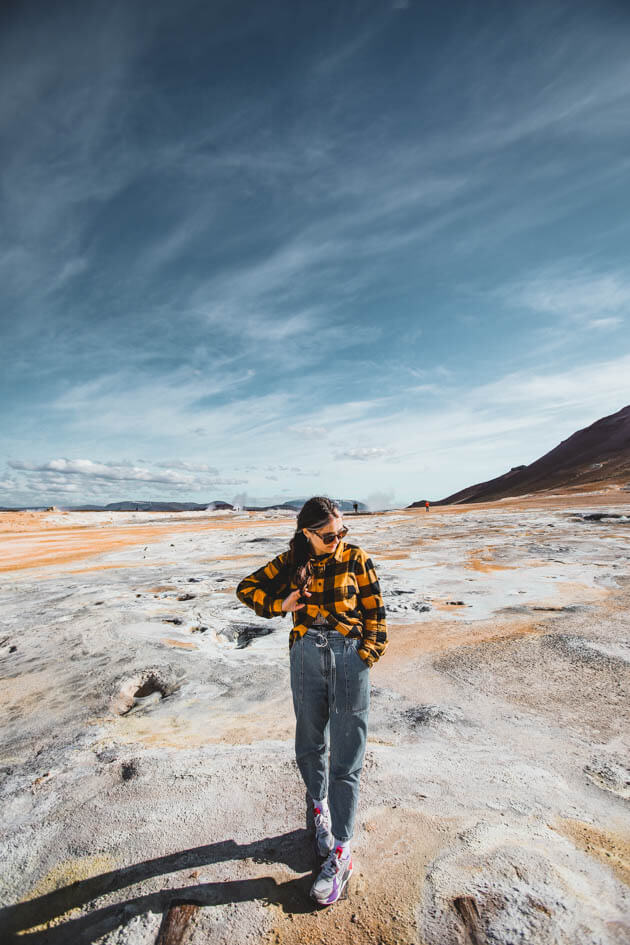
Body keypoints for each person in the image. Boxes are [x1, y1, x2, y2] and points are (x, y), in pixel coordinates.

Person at [235, 496, 387, 906]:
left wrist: (365, 655)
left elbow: (376, 612)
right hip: (306, 655)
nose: (337, 539)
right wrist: (279, 605)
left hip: (348, 655)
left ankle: (341, 848)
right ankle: (318, 805)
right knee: (310, 741)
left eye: (341, 532)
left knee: (347, 752)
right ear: (308, 534)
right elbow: (245, 588)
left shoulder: (357, 559)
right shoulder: (290, 562)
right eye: (328, 535)